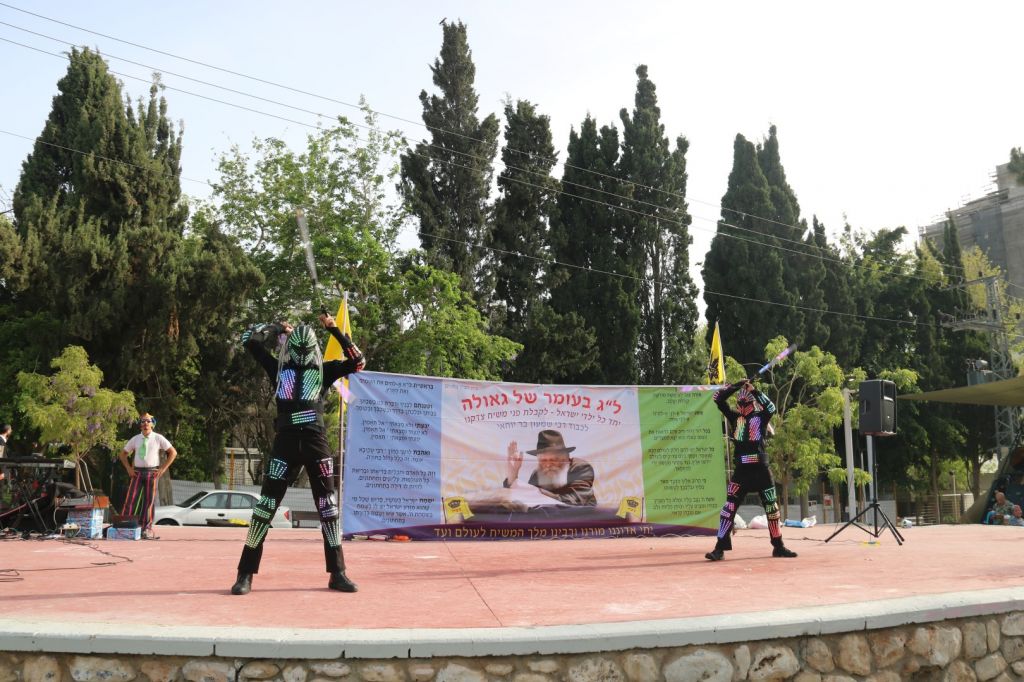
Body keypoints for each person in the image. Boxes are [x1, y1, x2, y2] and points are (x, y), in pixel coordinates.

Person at [231, 312, 365, 595]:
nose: (302, 354)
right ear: (290, 347)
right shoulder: (278, 369)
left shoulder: (325, 371)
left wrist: (334, 329)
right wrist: (276, 327)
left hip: (316, 442)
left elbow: (358, 361)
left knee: (328, 508)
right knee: (265, 507)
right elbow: (248, 339)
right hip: (286, 442)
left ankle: (338, 572)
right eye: (297, 347)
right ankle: (245, 573)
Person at [706, 379, 797, 561]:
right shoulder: (735, 418)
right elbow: (717, 398)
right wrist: (737, 385)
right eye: (739, 404)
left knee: (772, 508)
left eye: (745, 403)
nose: (741, 407)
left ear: (752, 404)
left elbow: (771, 407)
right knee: (728, 509)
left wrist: (754, 390)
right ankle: (719, 548)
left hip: (762, 471)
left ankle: (778, 546)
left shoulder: (761, 417)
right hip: (742, 472)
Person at [118, 413, 177, 540]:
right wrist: (128, 468)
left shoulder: (158, 438)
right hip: (137, 472)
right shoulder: (135, 439)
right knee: (131, 499)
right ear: (140, 425)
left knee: (149, 501)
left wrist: (163, 469)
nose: (145, 423)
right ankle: (124, 525)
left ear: (152, 424)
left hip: (152, 472)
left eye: (148, 421)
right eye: (143, 421)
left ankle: (146, 528)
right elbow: (123, 454)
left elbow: (173, 452)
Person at [503, 430, 597, 506]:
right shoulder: (538, 473)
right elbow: (527, 499)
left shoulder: (581, 468)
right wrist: (513, 476)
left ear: (565, 458)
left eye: (553, 460)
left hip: (580, 520)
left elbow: (576, 501)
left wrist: (537, 492)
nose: (548, 465)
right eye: (543, 460)